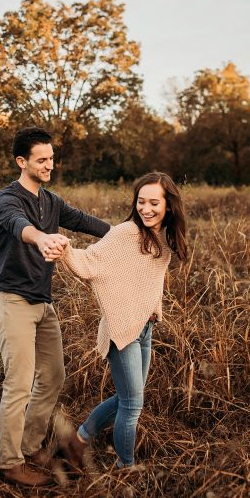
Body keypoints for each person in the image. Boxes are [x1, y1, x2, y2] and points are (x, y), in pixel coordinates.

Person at [0, 127, 111, 487]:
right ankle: (10, 463)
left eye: (52, 159)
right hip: (12, 300)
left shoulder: (52, 201)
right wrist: (42, 238)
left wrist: (127, 233)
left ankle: (29, 446)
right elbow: (19, 226)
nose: (49, 165)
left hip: (43, 303)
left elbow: (85, 222)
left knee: (53, 376)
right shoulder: (7, 199)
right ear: (21, 161)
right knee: (19, 382)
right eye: (41, 160)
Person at [58, 172, 188, 471]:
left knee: (127, 398)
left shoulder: (164, 236)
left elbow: (148, 278)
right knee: (132, 405)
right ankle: (125, 467)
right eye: (141, 202)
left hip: (145, 327)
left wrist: (153, 310)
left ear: (169, 205)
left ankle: (77, 442)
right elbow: (90, 261)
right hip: (123, 330)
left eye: (154, 203)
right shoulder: (126, 232)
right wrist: (64, 250)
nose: (146, 209)